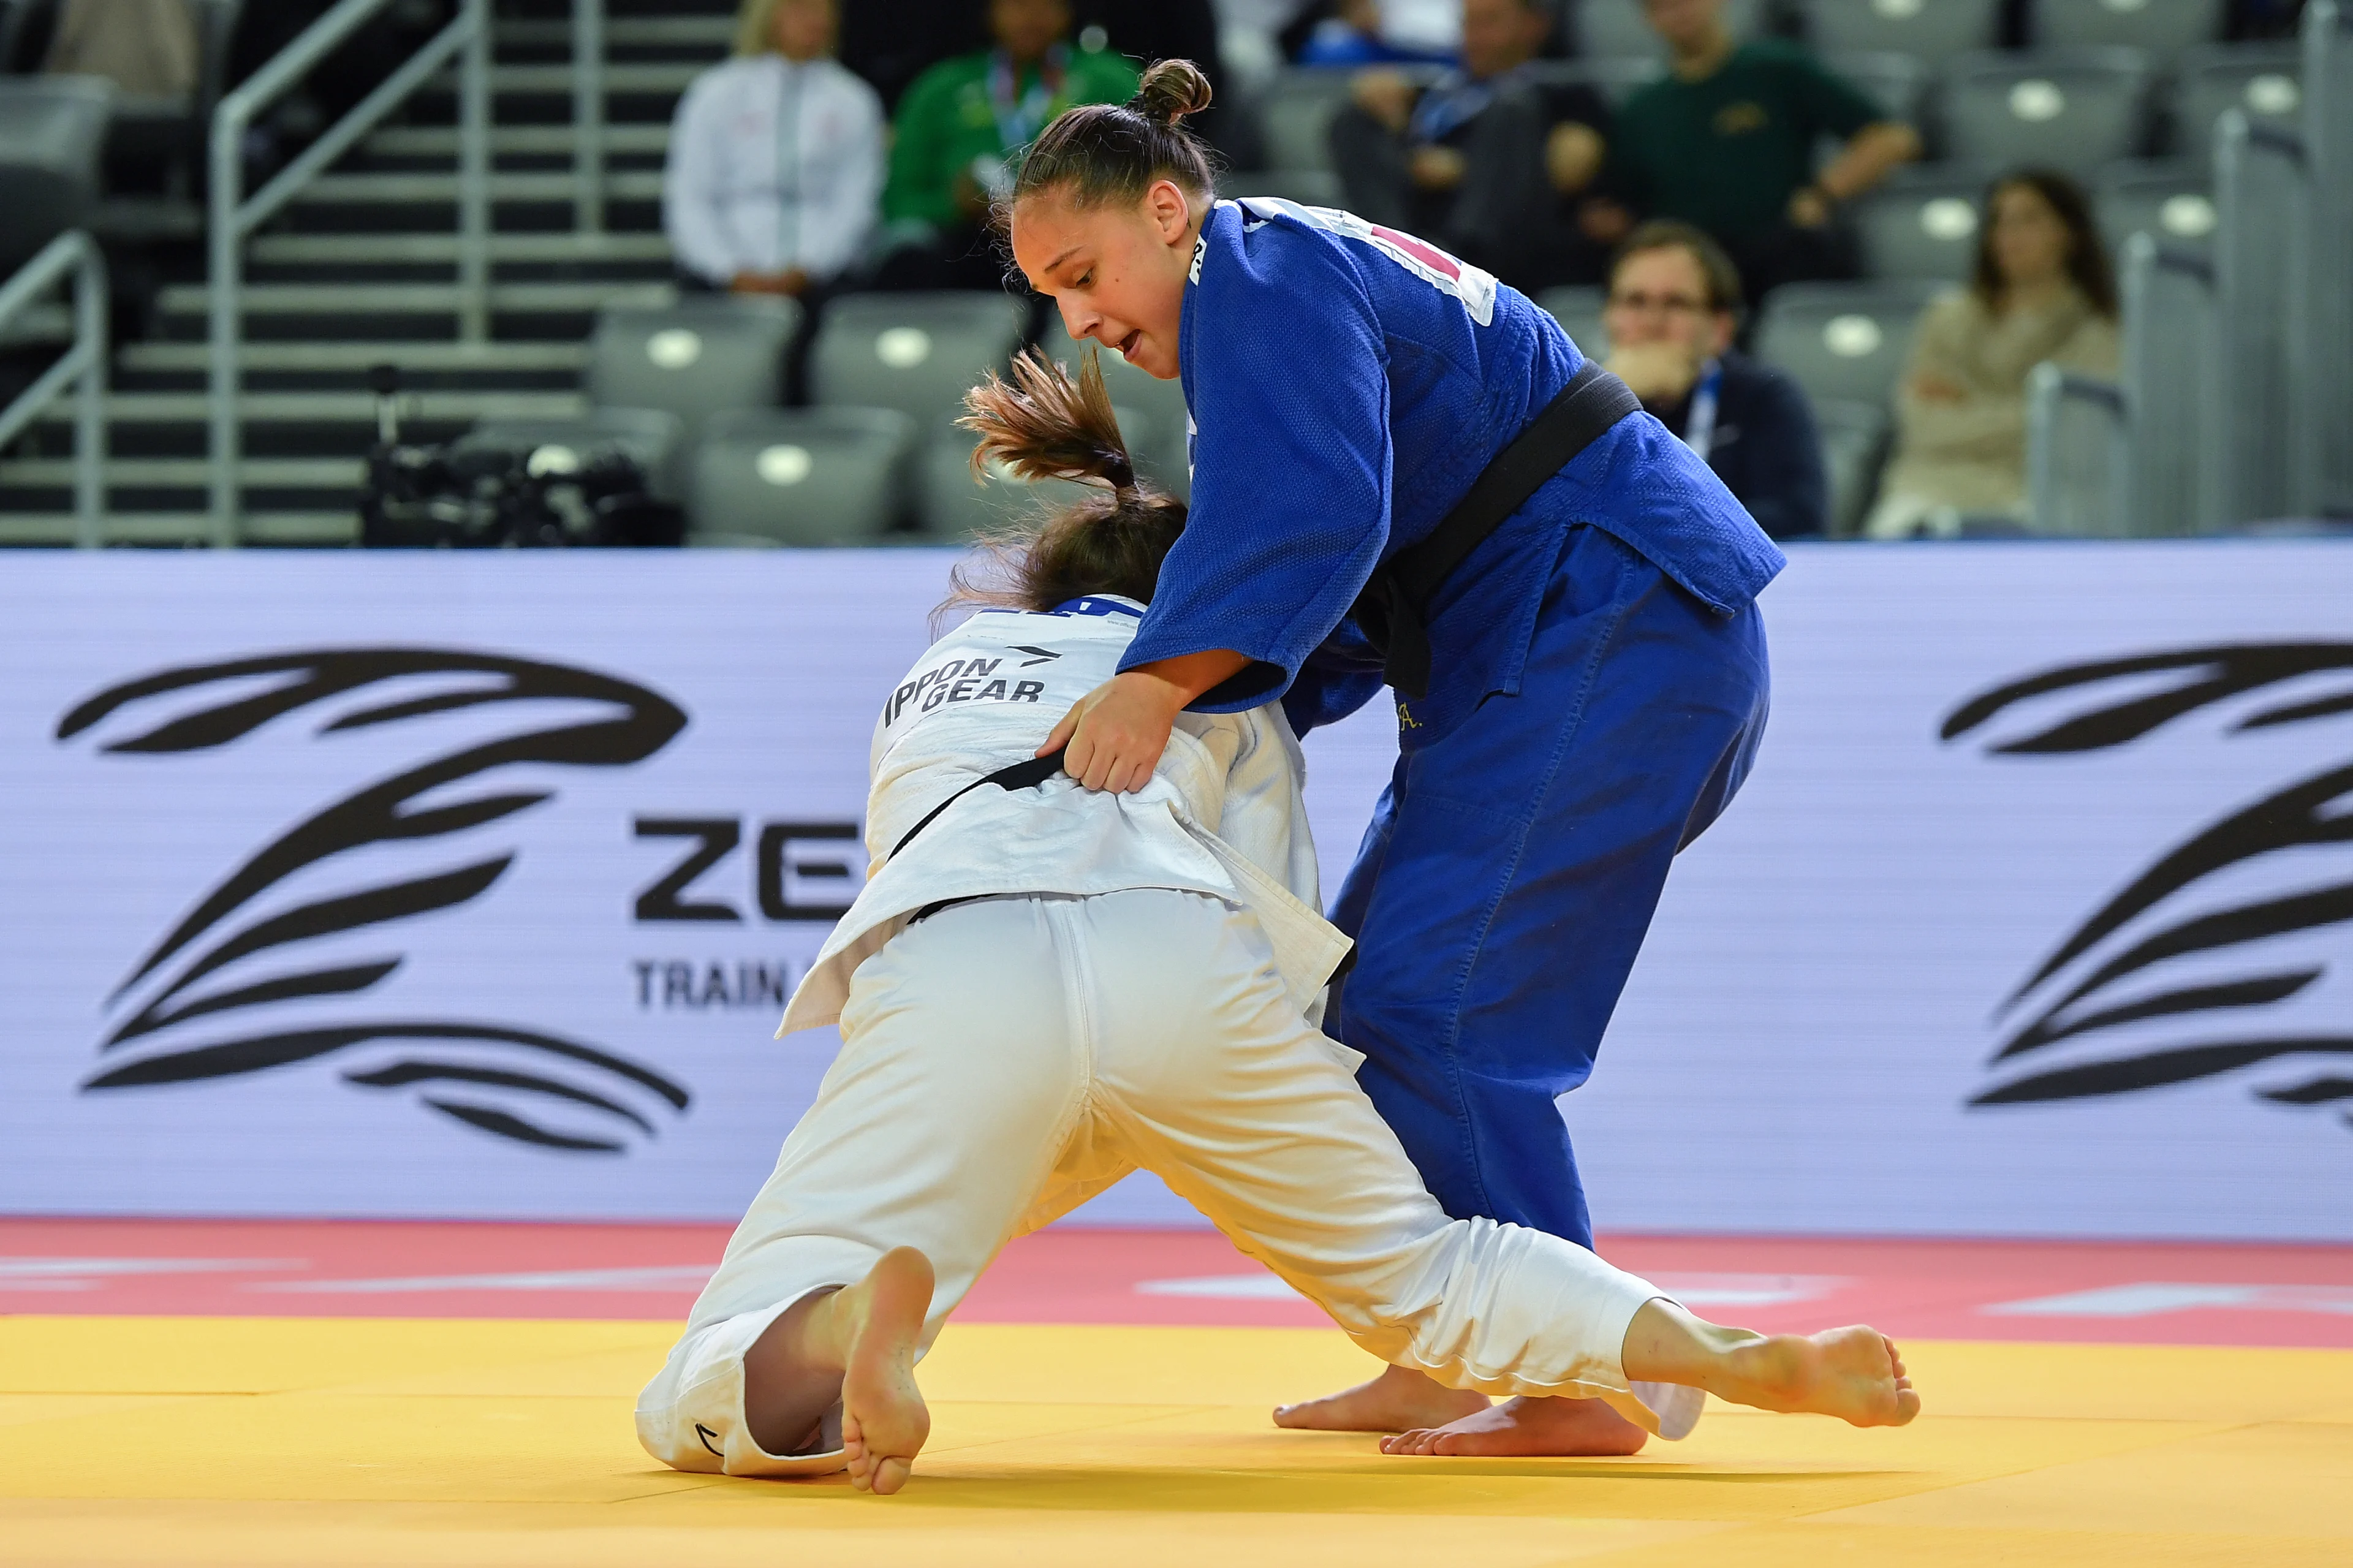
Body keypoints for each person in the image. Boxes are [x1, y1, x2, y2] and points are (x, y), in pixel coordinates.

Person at [634, 349, 1921, 1494]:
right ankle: (1715, 1352)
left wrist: (990, 1151)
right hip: (1180, 955)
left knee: (708, 1360)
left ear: (1035, 588)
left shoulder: (934, 676)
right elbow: (1277, 918)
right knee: (1429, 1266)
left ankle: (842, 1316)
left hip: (959, 954)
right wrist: (1264, 1116)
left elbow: (930, 896)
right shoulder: (1226, 687)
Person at [1010, 62, 1785, 1456]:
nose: (1078, 321)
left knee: (1441, 1008)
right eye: (1051, 299)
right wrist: (1227, 710)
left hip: (1605, 624)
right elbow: (1356, 570)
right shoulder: (1278, 278)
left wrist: (1156, 681)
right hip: (1573, 635)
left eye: (1084, 273)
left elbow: (1311, 517)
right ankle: (1453, 1336)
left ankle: (1580, 1376)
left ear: (1168, 210)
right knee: (1367, 1006)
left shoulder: (1259, 276)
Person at [1584, 0, 1919, 301]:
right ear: (1647, 17)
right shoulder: (1643, 109)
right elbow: (1622, 201)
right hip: (1691, 277)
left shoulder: (1776, 69)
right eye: (1662, 5)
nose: (1678, 11)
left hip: (1781, 255)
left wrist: (1823, 195)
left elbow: (1891, 138)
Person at [1864, 170, 2120, 539]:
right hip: (1924, 491)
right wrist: (2029, 411)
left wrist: (1968, 404)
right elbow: (1921, 424)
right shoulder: (1945, 318)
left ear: (2070, 233)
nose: (2009, 235)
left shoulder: (2099, 330)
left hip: (2033, 495)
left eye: (2029, 220)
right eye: (1999, 220)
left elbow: (2076, 434)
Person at [1329, 0, 1611, 289]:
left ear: (1534, 25)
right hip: (1420, 223)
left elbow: (1568, 171)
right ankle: (1386, 253)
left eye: (1489, 23)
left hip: (1503, 251)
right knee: (1355, 117)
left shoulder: (1566, 92)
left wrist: (1464, 168)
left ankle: (1458, 260)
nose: (1474, 38)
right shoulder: (1442, 91)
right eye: (1468, 24)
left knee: (1511, 106)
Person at [874, 0, 1139, 291]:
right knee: (909, 249)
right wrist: (953, 204)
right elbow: (898, 201)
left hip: (1078, 234)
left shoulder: (1111, 80)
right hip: (962, 244)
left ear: (1068, 11)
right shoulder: (941, 88)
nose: (1031, 17)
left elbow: (1150, 171)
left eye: (1045, 5)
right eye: (1017, 5)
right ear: (990, 12)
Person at [1604, 222, 1826, 539]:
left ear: (1720, 329)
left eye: (1675, 303)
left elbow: (1798, 519)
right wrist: (1608, 402)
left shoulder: (1763, 397)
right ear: (1608, 316)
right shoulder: (1576, 403)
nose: (1652, 323)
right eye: (1635, 302)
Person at [664, 0, 884, 308]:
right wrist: (729, 270)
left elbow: (855, 202)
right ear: (768, 15)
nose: (816, 20)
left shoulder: (853, 101)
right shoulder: (715, 94)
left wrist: (809, 267)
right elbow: (691, 197)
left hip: (820, 280)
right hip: (726, 275)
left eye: (824, 11)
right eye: (801, 9)